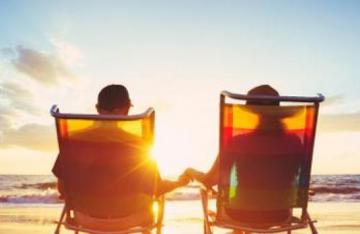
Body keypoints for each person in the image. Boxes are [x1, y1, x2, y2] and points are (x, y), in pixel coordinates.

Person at [52, 84, 189, 227]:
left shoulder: (73, 140)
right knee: (155, 201)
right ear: (126, 109)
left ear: (97, 109)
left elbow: (62, 189)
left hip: (85, 219)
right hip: (132, 218)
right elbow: (156, 188)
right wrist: (179, 182)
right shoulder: (139, 144)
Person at [185, 84, 304, 225]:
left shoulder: (237, 142)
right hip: (280, 215)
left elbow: (211, 180)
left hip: (240, 215)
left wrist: (191, 172)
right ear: (277, 112)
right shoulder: (294, 142)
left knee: (233, 203)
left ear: (252, 112)